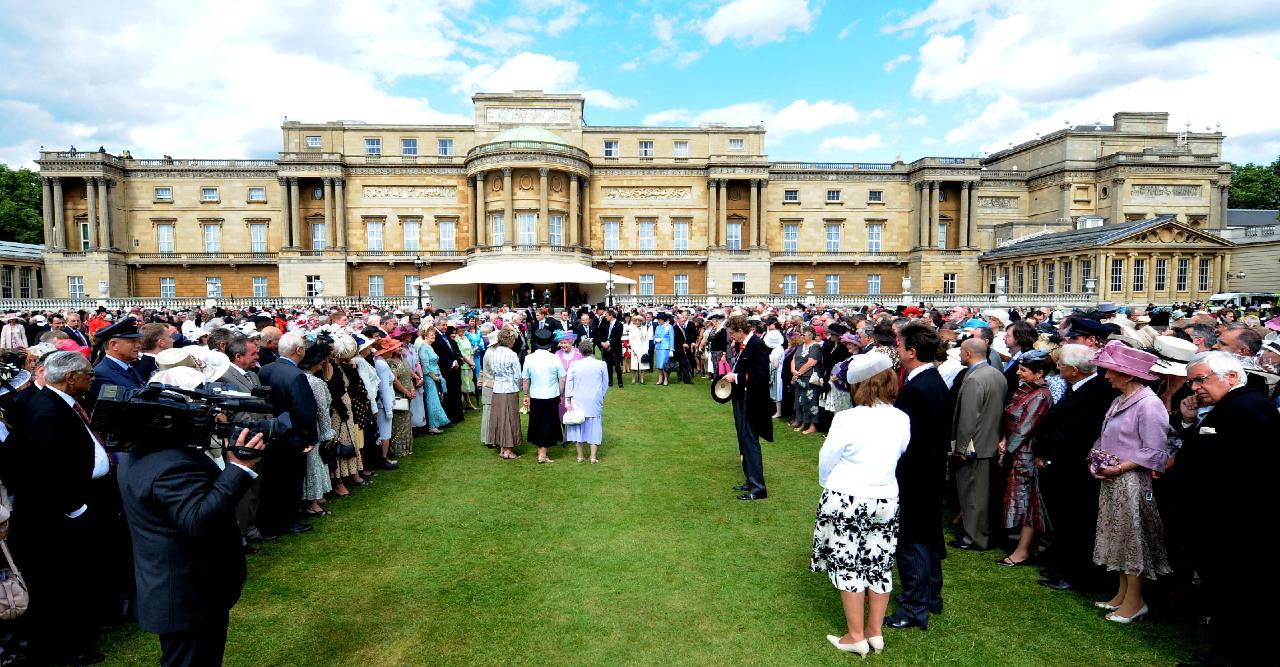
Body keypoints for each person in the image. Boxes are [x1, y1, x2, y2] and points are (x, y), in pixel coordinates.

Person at [118, 419, 266, 667]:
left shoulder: (142, 451)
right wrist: (239, 469)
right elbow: (199, 519)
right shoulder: (170, 464)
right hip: (188, 592)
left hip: (182, 586)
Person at [1174, 351, 1280, 666]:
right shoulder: (1233, 406)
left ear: (1231, 377)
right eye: (1192, 381)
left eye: (1200, 379)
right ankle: (1225, 651)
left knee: (1235, 592)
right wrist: (1190, 423)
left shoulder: (1246, 407)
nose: (1194, 388)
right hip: (1228, 519)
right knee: (1227, 591)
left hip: (1237, 522)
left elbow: (1251, 468)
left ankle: (1229, 655)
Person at [7, 351, 108, 666]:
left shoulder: (58, 404)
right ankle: (64, 648)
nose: (91, 380)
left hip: (67, 507)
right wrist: (74, 508)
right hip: (54, 517)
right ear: (71, 377)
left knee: (70, 580)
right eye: (88, 375)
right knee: (59, 583)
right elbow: (43, 470)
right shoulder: (47, 412)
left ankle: (73, 641)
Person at [811, 352, 909, 656]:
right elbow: (899, 453)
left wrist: (830, 485)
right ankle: (874, 631)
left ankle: (856, 635)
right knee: (879, 562)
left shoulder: (847, 419)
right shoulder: (901, 417)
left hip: (848, 496)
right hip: (885, 496)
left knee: (848, 562)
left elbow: (826, 460)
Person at [1089, 341, 1171, 623]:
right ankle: (1123, 594)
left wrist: (1119, 467)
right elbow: (1106, 437)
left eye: (1111, 371)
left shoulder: (1149, 405)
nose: (1107, 376)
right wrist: (1097, 461)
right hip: (1114, 479)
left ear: (1129, 375)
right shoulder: (1119, 400)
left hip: (1132, 482)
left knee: (1132, 539)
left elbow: (1155, 450)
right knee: (1117, 537)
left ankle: (1135, 601)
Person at [1033, 344, 1119, 592]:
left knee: (1076, 522)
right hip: (1063, 464)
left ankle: (1074, 573)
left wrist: (1044, 450)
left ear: (1073, 370)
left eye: (1060, 364)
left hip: (1074, 468)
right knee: (1064, 519)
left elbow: (1073, 431)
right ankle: (1063, 565)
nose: (1056, 367)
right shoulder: (1080, 386)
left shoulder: (1097, 391)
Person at [885, 323, 951, 631]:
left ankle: (914, 608)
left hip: (916, 476)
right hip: (929, 472)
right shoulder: (929, 381)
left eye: (900, 347)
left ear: (912, 352)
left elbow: (904, 438)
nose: (897, 351)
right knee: (927, 537)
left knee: (912, 542)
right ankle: (930, 596)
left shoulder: (921, 387)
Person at [255, 331, 319, 538]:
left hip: (271, 433)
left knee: (273, 480)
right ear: (299, 350)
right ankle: (288, 521)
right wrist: (309, 438)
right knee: (290, 481)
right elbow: (304, 410)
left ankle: (271, 521)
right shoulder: (296, 375)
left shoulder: (265, 369)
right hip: (292, 436)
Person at [997, 350, 1055, 566]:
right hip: (1015, 450)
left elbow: (1025, 428)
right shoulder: (1026, 389)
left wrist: (1007, 450)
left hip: (1025, 454)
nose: (1018, 373)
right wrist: (1004, 440)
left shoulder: (1041, 395)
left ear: (1039, 373)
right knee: (1022, 500)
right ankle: (1022, 546)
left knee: (1029, 501)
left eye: (1023, 370)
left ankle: (1024, 549)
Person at [950, 338, 1006, 551]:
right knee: (982, 494)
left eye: (961, 353)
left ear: (967, 353)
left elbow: (968, 418)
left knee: (973, 495)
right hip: (989, 442)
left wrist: (961, 447)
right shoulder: (996, 374)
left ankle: (974, 537)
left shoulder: (974, 379)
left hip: (975, 446)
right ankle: (979, 534)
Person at [721, 315, 773, 500]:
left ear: (741, 331)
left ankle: (759, 487)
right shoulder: (747, 345)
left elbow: (760, 376)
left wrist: (736, 377)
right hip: (742, 397)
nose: (732, 338)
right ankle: (751, 480)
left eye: (732, 334)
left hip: (752, 401)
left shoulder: (757, 345)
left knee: (750, 441)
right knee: (743, 439)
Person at [299, 339, 335, 517]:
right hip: (314, 427)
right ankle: (312, 502)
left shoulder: (301, 376)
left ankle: (310, 501)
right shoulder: (315, 383)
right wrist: (328, 433)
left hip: (303, 427)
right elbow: (322, 410)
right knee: (313, 464)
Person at [564, 337, 608, 464]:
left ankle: (580, 456)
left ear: (580, 352)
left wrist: (568, 400)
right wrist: (601, 396)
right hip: (594, 399)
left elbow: (569, 384)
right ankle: (593, 457)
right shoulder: (601, 364)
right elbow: (605, 384)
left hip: (578, 399)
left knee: (579, 426)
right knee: (594, 426)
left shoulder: (574, 365)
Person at [523, 328, 564, 464]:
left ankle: (541, 451)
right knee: (547, 423)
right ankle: (542, 453)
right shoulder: (555, 358)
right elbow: (562, 378)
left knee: (537, 422)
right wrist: (560, 392)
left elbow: (525, 379)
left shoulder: (529, 358)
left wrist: (526, 394)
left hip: (536, 395)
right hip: (550, 395)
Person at [488, 327, 524, 460]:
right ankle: (508, 450)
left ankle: (503, 448)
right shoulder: (511, 354)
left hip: (497, 389)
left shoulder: (494, 352)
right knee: (509, 418)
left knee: (500, 417)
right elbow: (517, 375)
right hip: (509, 389)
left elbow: (493, 370)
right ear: (510, 340)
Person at [790, 326, 823, 435]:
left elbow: (811, 363)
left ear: (810, 335)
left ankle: (813, 425)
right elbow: (793, 359)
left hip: (809, 379)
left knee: (811, 401)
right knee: (800, 401)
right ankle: (803, 422)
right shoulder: (801, 345)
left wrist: (798, 373)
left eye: (804, 334)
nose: (801, 336)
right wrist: (793, 370)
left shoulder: (815, 347)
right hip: (799, 378)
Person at [417, 328, 450, 434]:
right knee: (431, 401)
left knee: (436, 400)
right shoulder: (423, 348)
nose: (434, 337)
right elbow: (425, 366)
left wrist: (439, 375)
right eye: (431, 335)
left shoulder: (430, 347)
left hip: (436, 376)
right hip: (429, 378)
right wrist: (434, 377)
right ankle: (431, 426)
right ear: (425, 336)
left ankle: (436, 423)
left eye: (434, 335)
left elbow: (435, 363)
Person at [598, 309, 625, 388]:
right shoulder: (606, 324)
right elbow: (601, 333)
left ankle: (620, 382)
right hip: (606, 349)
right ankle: (610, 381)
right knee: (608, 366)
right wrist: (603, 343)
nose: (605, 317)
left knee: (617, 366)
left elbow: (618, 336)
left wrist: (609, 343)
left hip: (616, 348)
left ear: (611, 316)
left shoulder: (619, 324)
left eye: (606, 316)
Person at [624, 314, 650, 384]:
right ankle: (633, 379)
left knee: (643, 364)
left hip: (643, 348)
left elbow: (646, 339)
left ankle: (642, 379)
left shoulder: (644, 328)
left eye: (639, 321)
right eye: (636, 321)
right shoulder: (632, 329)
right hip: (635, 349)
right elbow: (631, 340)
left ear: (641, 321)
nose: (638, 322)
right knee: (634, 364)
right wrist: (633, 349)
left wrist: (646, 349)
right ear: (634, 322)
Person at [652, 313, 675, 386]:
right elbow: (654, 336)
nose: (659, 321)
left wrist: (671, 349)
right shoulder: (658, 327)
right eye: (658, 319)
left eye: (660, 319)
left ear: (664, 320)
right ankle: (660, 378)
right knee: (659, 364)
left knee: (664, 364)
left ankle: (665, 379)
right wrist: (656, 340)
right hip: (659, 347)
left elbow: (672, 338)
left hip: (666, 348)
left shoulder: (669, 327)